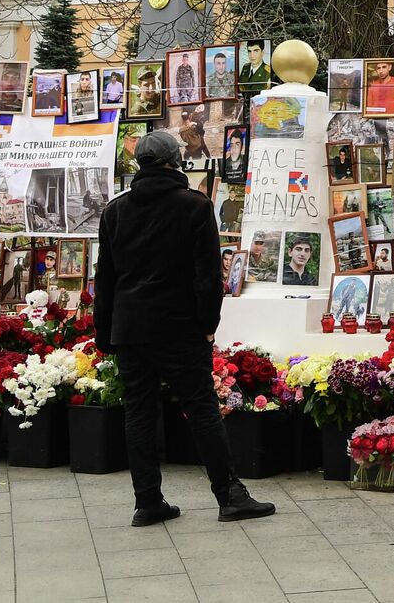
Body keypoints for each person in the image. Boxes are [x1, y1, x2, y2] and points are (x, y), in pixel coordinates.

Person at [94, 130, 274, 526]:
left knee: (139, 414)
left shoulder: (116, 211)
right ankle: (229, 493)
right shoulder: (193, 206)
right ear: (176, 160)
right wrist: (208, 325)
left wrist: (104, 334)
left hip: (131, 329)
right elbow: (207, 277)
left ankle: (147, 501)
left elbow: (104, 278)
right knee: (202, 409)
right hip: (178, 327)